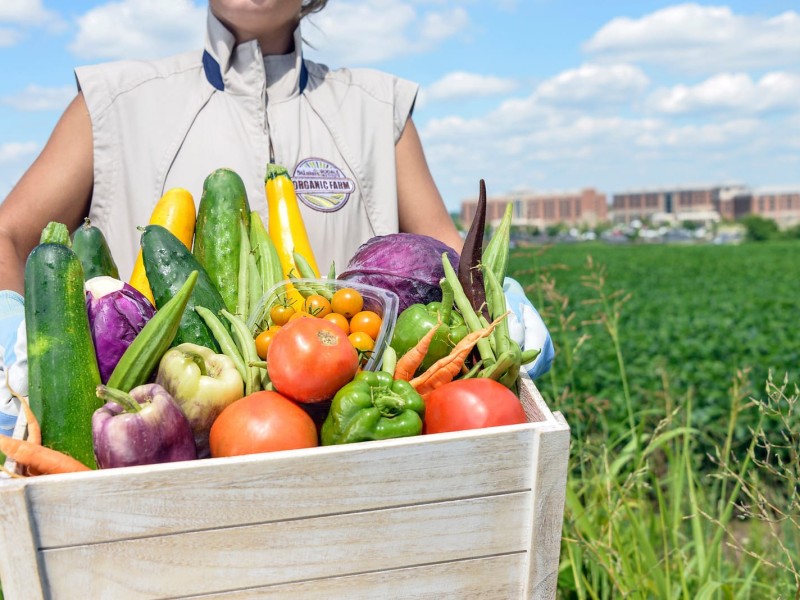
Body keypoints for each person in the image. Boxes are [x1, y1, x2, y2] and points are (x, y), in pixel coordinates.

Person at [0, 0, 553, 436]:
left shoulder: (379, 109)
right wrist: (18, 335)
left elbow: (447, 256)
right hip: (149, 454)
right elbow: (11, 234)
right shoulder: (114, 102)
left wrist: (498, 306)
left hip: (357, 448)